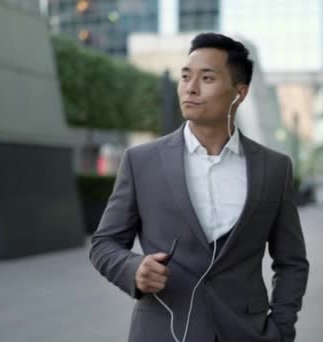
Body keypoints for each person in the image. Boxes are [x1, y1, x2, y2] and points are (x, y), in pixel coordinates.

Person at [89, 33, 309, 342]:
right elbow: (104, 244)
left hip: (246, 332)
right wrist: (133, 268)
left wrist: (282, 329)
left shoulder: (273, 168)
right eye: (185, 76)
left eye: (207, 78)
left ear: (239, 93)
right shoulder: (141, 162)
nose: (190, 88)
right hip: (163, 331)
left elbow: (291, 261)